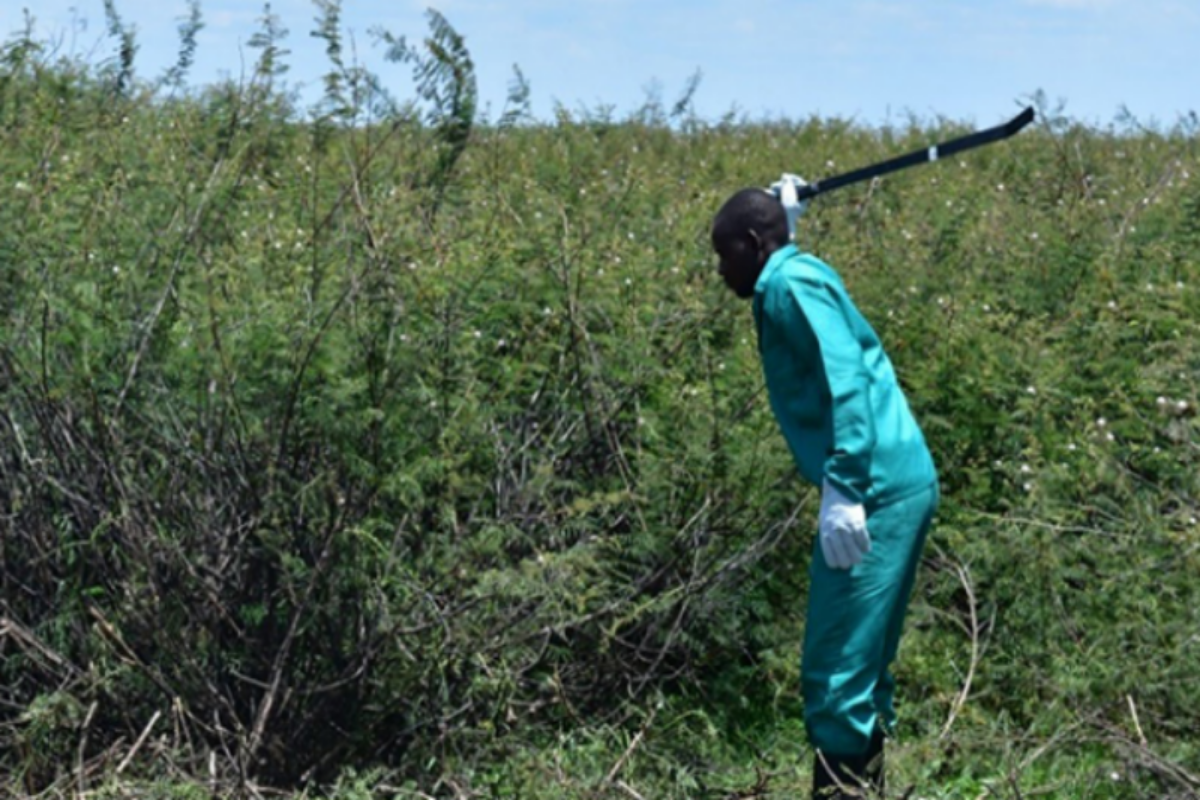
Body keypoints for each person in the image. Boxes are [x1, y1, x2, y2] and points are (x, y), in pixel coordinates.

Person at [711, 178, 939, 799]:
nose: (720, 268)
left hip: (876, 488)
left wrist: (844, 486)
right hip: (889, 481)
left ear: (755, 244)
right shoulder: (788, 274)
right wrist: (787, 225)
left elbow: (847, 380)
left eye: (725, 252)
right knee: (856, 665)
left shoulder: (790, 281)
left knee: (836, 668)